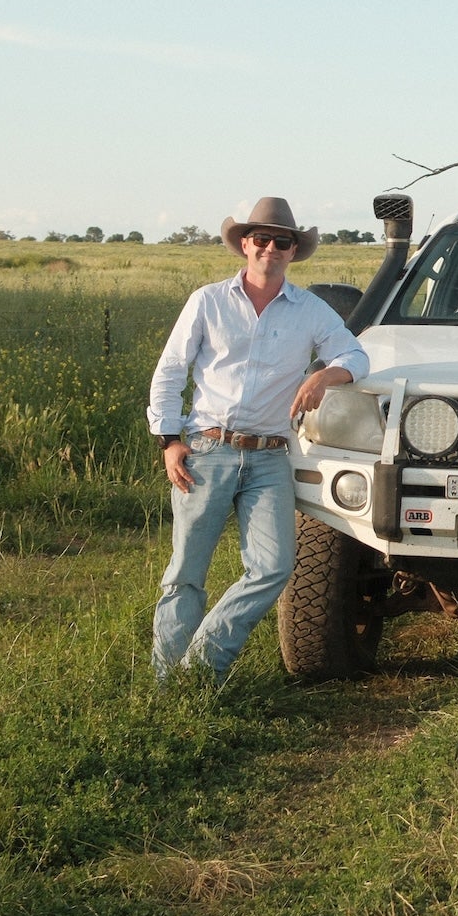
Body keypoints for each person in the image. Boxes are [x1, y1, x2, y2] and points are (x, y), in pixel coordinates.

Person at [146, 197, 370, 682]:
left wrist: (326, 375)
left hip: (270, 457)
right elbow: (170, 370)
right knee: (186, 572)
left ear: (293, 251)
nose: (270, 248)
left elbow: (356, 355)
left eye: (281, 241)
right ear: (245, 245)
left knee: (273, 567)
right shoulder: (207, 301)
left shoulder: (310, 309)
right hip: (205, 449)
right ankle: (166, 688)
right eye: (261, 239)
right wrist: (168, 440)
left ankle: (200, 668)